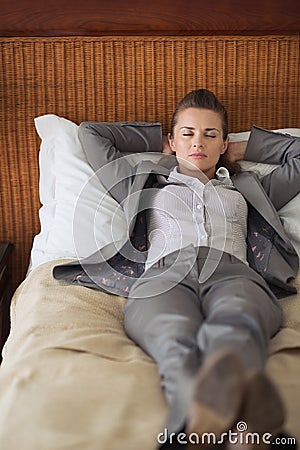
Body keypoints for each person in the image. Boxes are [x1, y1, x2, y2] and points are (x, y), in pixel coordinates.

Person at [53, 89, 300, 449]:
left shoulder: (250, 187)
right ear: (173, 140)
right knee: (174, 339)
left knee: (235, 330)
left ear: (223, 142)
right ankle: (202, 425)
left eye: (210, 135)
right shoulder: (142, 184)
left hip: (234, 275)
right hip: (162, 277)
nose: (198, 142)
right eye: (187, 133)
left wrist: (243, 149)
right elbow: (92, 133)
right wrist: (161, 141)